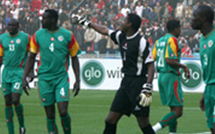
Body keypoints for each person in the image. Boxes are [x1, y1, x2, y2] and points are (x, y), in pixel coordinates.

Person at [73, 13, 155, 134]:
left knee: (143, 123)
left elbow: (151, 65)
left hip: (138, 84)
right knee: (110, 120)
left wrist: (148, 86)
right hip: (126, 83)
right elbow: (105, 30)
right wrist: (86, 23)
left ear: (130, 24)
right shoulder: (121, 36)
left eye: (124, 20)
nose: (121, 22)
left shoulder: (141, 42)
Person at [22, 9, 80, 134]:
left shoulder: (67, 35)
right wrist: (24, 77)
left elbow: (74, 57)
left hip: (61, 78)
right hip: (44, 79)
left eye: (44, 18)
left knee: (63, 111)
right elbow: (31, 57)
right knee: (50, 114)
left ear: (53, 19)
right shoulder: (38, 35)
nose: (42, 21)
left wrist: (78, 80)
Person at [152, 19, 190, 133]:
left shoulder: (159, 41)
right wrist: (184, 67)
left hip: (162, 76)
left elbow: (153, 58)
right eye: (180, 28)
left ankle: (172, 132)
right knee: (178, 111)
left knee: (173, 109)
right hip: (171, 76)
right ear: (175, 29)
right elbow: (169, 60)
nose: (181, 30)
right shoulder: (172, 40)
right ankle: (154, 129)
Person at [0, 19, 31, 134]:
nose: (10, 27)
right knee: (7, 101)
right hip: (6, 72)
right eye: (9, 25)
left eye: (13, 25)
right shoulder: (2, 38)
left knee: (15, 98)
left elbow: (30, 55)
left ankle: (22, 125)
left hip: (19, 72)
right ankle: (11, 131)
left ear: (18, 26)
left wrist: (29, 72)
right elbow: (0, 56)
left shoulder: (25, 37)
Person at [191, 5, 215, 133]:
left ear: (203, 19)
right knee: (211, 126)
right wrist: (206, 93)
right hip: (210, 88)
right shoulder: (202, 39)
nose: (191, 20)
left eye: (194, 17)